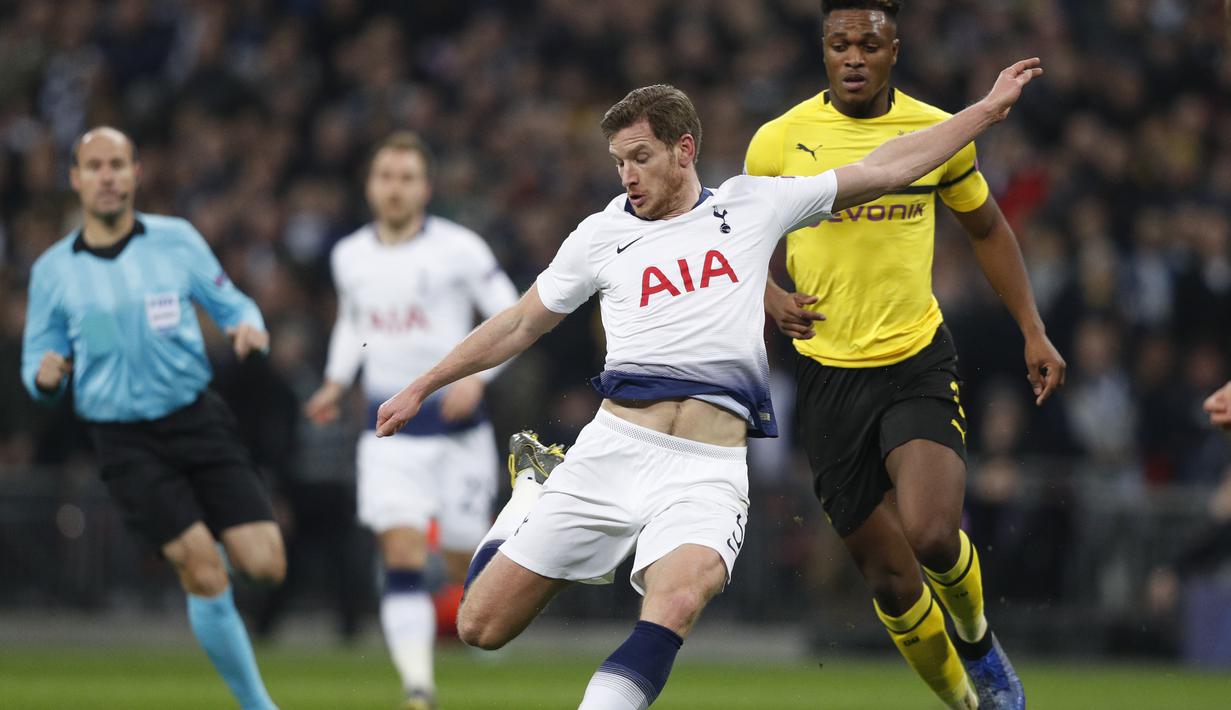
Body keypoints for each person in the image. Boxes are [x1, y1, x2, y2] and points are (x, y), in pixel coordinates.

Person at [376, 58, 1044, 709]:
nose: (627, 174)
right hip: (611, 451)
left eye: (639, 156)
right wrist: (422, 385)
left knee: (675, 600)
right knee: (480, 627)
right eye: (617, 161)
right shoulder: (600, 236)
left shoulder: (752, 206)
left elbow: (888, 165)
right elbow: (520, 323)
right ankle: (530, 492)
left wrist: (982, 112)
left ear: (684, 148)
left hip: (706, 469)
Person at [745, 2, 1066, 709]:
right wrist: (769, 296)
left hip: (914, 358)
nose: (853, 56)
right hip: (826, 375)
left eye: (868, 43)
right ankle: (966, 703)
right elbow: (737, 242)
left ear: (895, 51)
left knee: (930, 533)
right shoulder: (777, 142)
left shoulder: (935, 132)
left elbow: (985, 228)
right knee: (890, 580)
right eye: (838, 44)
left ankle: (980, 644)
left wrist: (1031, 328)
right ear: (822, 53)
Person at [21, 126, 284, 710]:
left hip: (197, 419)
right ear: (76, 178)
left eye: (117, 164)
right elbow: (33, 363)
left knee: (265, 565)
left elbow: (232, 300)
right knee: (203, 570)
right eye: (94, 166)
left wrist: (248, 325)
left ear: (137, 173)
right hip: (123, 439)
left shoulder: (177, 240)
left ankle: (207, 570)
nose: (107, 176)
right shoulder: (52, 272)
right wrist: (42, 379)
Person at [304, 131, 520, 710]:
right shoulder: (349, 255)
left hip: (457, 434)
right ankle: (418, 691)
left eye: (406, 178)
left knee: (461, 564)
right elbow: (354, 324)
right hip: (388, 433)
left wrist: (478, 378)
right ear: (370, 186)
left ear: (426, 188)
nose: (394, 188)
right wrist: (334, 380)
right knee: (400, 553)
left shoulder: (460, 249)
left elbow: (517, 314)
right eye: (384, 177)